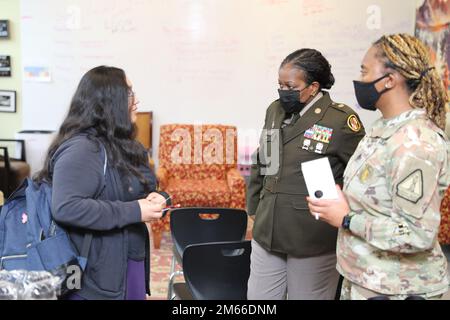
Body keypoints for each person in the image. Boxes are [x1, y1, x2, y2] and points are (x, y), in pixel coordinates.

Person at [306, 33, 450, 300]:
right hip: (368, 280)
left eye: (364, 71)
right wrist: (342, 201)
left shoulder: (415, 142)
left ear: (390, 80)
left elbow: (417, 234)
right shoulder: (384, 127)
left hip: (400, 289)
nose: (360, 80)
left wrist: (347, 218)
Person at [34, 66, 170, 300]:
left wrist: (161, 198)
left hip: (128, 261)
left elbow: (144, 190)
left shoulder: (127, 146)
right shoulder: (82, 149)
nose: (136, 101)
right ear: (109, 101)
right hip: (95, 276)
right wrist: (135, 210)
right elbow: (67, 207)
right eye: (128, 94)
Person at [247, 49, 365, 300]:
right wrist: (253, 209)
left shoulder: (340, 120)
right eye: (280, 84)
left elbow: (359, 177)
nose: (283, 91)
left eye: (290, 85)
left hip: (312, 235)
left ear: (313, 87)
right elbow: (263, 161)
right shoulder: (274, 110)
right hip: (268, 228)